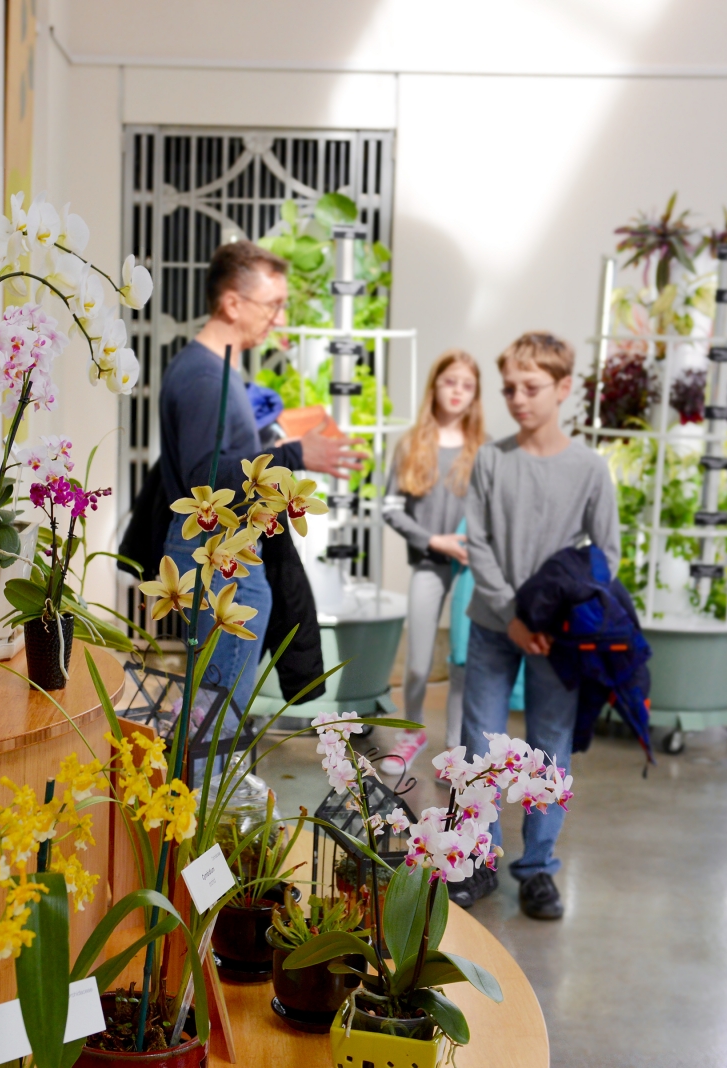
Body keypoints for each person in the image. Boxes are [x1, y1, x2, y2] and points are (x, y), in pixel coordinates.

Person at [456, 331, 620, 918]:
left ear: (564, 388)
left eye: (531, 387)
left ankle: (538, 869)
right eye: (509, 389)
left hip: (557, 636)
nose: (517, 398)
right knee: (479, 741)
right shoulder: (492, 461)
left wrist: (553, 618)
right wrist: (513, 618)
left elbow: (606, 557)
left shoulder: (590, 469)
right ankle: (477, 859)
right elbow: (479, 544)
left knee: (549, 750)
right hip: (494, 626)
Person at [158, 240, 362, 700]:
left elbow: (219, 459)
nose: (280, 319)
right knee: (218, 697)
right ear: (232, 303)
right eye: (273, 306)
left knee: (217, 688)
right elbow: (204, 486)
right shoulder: (205, 379)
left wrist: (279, 444)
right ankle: (214, 768)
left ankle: (214, 767)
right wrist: (294, 457)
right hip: (220, 552)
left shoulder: (217, 371)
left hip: (229, 552)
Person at [379, 350, 489, 775]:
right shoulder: (411, 444)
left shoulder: (485, 449)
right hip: (430, 561)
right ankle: (412, 733)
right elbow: (391, 509)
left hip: (472, 570)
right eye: (450, 382)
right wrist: (435, 541)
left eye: (467, 384)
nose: (458, 391)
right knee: (421, 661)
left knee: (461, 660)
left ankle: (456, 752)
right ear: (435, 385)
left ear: (475, 393)